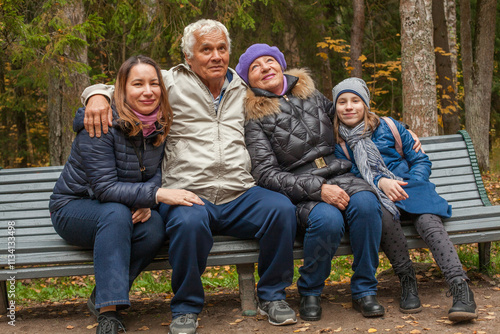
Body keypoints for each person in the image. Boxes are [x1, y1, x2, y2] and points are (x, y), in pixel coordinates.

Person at [80, 20, 298, 334]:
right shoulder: (170, 81)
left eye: (222, 48)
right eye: (206, 49)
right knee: (188, 223)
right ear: (189, 56)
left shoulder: (242, 87)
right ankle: (186, 308)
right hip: (188, 192)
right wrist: (95, 97)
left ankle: (272, 296)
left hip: (240, 192)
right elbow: (125, 84)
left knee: (281, 209)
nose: (216, 56)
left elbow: (286, 86)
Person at [50, 55, 205, 334]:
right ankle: (109, 314)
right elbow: (104, 188)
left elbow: (154, 172)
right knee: (116, 213)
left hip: (119, 207)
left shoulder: (156, 126)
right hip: (74, 208)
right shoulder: (100, 124)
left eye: (154, 84)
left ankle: (102, 295)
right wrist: (156, 196)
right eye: (138, 84)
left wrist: (146, 201)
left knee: (155, 226)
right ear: (121, 89)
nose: (148, 91)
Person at [236, 43, 386, 321]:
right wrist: (318, 189)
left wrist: (396, 130)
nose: (265, 68)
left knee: (366, 203)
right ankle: (310, 290)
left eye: (269, 61)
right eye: (255, 67)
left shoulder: (311, 94)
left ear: (281, 65)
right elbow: (266, 174)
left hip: (339, 171)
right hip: (298, 186)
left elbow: (348, 118)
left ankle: (365, 288)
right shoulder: (254, 118)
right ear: (249, 80)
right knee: (327, 219)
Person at [332, 77, 478, 322]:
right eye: (342, 102)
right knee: (384, 219)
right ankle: (408, 281)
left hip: (412, 189)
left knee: (429, 223)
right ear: (334, 108)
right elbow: (351, 175)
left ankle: (460, 288)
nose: (349, 106)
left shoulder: (390, 126)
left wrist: (411, 181)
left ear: (365, 104)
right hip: (380, 195)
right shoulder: (339, 144)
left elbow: (420, 159)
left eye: (355, 100)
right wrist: (380, 183)